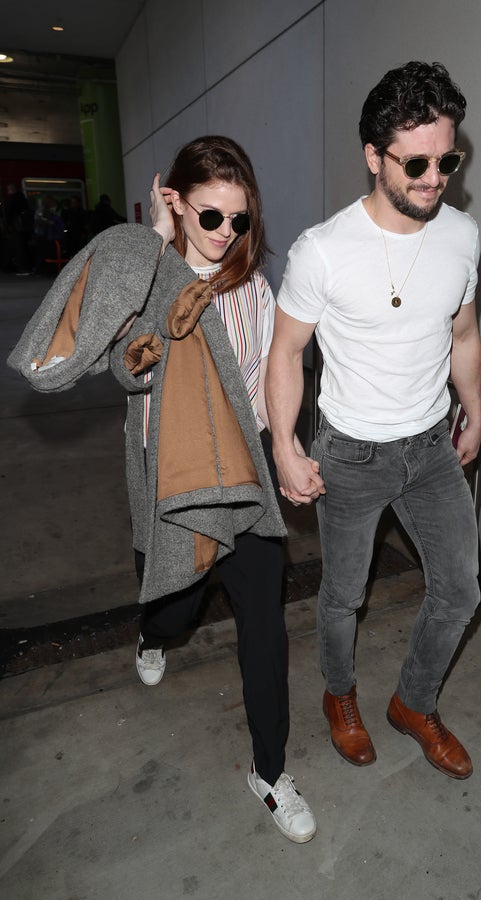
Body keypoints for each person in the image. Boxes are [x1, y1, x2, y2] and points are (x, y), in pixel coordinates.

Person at [8, 136, 317, 843]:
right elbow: (103, 369)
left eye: (241, 221)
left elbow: (273, 380)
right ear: (174, 202)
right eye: (212, 217)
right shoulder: (139, 273)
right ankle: (155, 633)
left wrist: (289, 447)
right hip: (171, 479)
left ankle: (269, 772)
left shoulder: (254, 290)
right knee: (173, 606)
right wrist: (147, 262)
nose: (227, 235)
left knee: (265, 627)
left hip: (244, 477)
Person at [266, 61, 481, 780]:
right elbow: (287, 352)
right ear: (372, 156)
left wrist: (476, 411)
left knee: (460, 590)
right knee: (342, 596)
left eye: (446, 160)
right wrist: (285, 448)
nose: (434, 177)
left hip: (429, 447)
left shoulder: (461, 237)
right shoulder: (322, 251)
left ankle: (413, 703)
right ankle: (339, 695)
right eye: (415, 161)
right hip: (351, 452)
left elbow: (463, 334)